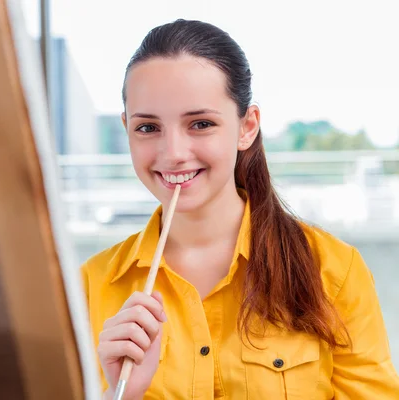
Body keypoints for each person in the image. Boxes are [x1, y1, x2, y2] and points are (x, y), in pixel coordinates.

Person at [80, 19, 399, 399]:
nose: (174, 154)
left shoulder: (333, 270)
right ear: (126, 129)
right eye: (148, 128)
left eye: (200, 123)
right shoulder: (88, 288)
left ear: (247, 127)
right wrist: (121, 394)